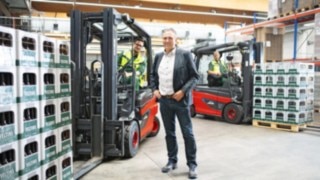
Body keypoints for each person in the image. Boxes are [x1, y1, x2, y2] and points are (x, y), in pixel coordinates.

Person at [150, 28, 199, 179]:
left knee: (187, 133)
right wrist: (155, 90)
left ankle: (192, 164)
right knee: (169, 133)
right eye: (164, 38)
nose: (166, 40)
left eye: (170, 38)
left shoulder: (184, 54)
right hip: (164, 101)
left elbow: (194, 76)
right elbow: (152, 76)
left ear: (175, 40)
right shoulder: (158, 56)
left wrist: (183, 91)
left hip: (180, 101)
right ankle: (172, 160)